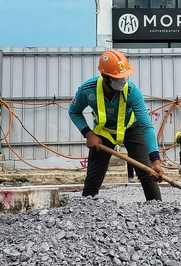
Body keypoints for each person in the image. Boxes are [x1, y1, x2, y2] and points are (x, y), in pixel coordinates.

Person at [69, 50, 164, 201]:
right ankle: (85, 209)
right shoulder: (87, 90)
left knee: (147, 172)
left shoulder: (132, 91)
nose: (122, 80)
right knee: (93, 177)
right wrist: (88, 133)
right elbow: (74, 112)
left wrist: (155, 161)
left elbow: (146, 127)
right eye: (117, 78)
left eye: (124, 76)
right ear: (105, 76)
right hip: (104, 132)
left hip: (130, 128)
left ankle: (158, 208)